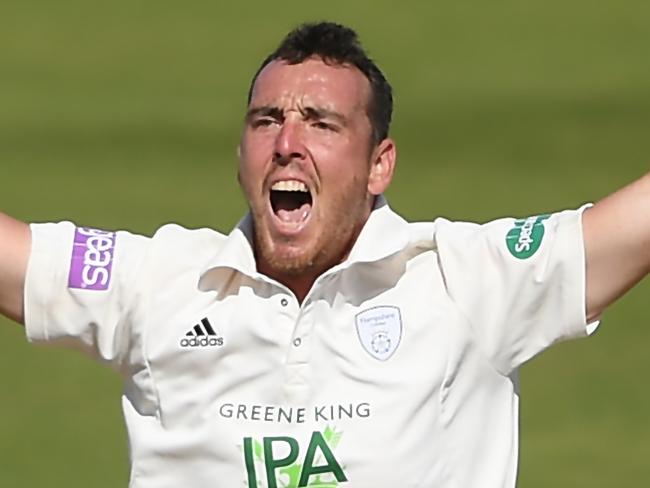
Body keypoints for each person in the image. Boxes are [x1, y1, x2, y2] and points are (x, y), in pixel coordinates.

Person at [0, 20, 648, 488]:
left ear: (378, 165)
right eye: (265, 121)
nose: (287, 142)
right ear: (241, 158)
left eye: (321, 122)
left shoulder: (463, 281)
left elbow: (626, 229)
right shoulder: (163, 284)